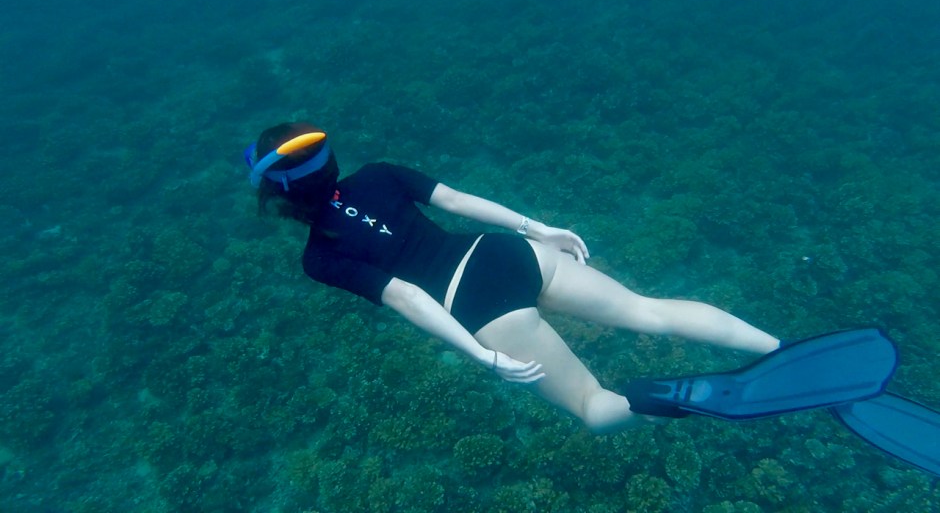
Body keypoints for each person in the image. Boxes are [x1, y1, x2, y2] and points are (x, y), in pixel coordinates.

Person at [243, 121, 784, 434]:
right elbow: (458, 201)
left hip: (475, 303)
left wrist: (480, 353)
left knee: (594, 408)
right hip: (502, 252)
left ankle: (690, 397)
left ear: (280, 197)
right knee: (650, 310)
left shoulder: (319, 258)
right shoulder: (379, 173)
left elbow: (407, 296)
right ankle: (778, 349)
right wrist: (537, 227)